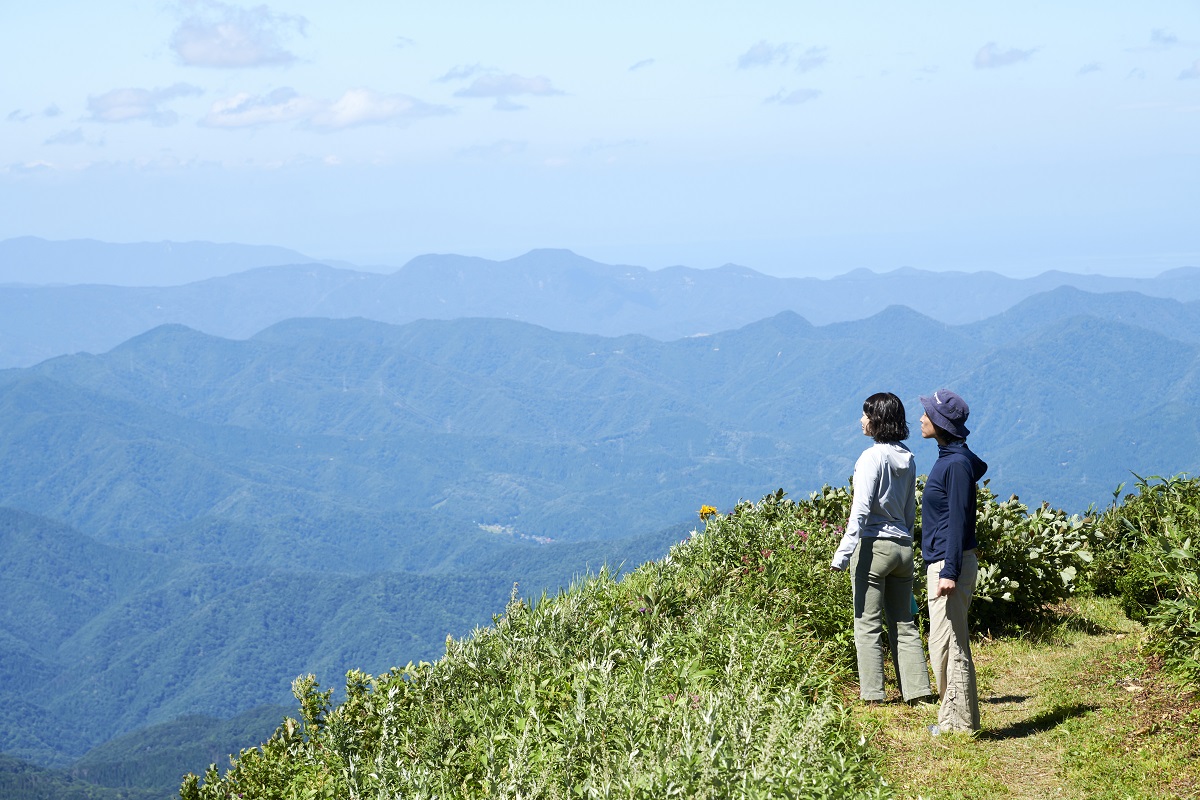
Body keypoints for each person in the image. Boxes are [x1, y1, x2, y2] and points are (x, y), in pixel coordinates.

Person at [831, 392, 933, 705]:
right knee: (904, 623)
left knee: (867, 624)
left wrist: (842, 554)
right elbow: (909, 509)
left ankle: (873, 695)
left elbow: (860, 511)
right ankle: (918, 692)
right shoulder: (908, 457)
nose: (861, 420)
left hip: (873, 548)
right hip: (902, 547)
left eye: (865, 415)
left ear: (877, 421)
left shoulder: (870, 458)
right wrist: (908, 539)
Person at [919, 388, 988, 735]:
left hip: (951, 565)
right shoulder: (952, 457)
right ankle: (951, 718)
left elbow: (959, 520)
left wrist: (949, 571)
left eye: (927, 414)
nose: (921, 418)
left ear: (941, 423)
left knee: (952, 645)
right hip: (946, 562)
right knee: (941, 645)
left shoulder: (956, 464)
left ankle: (960, 725)